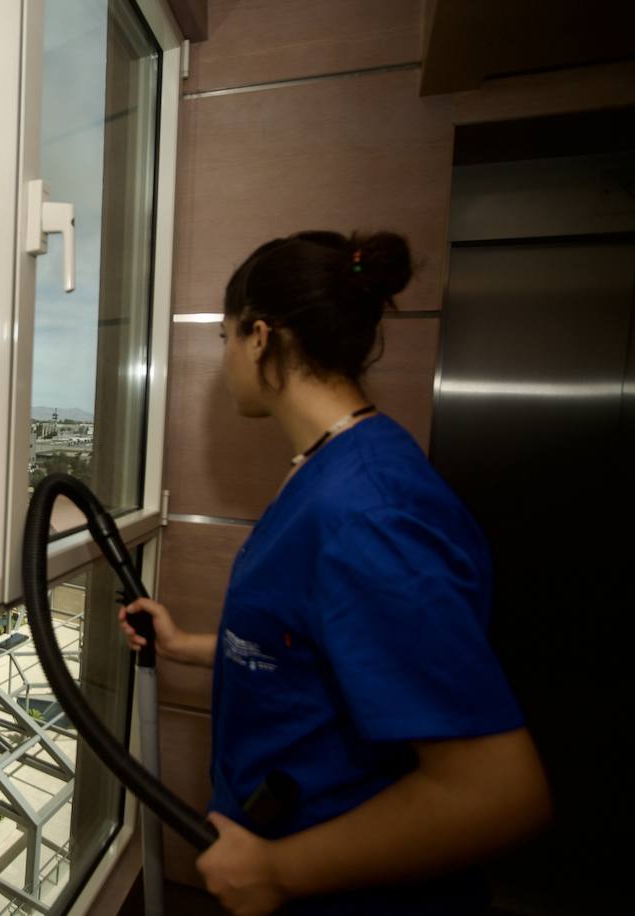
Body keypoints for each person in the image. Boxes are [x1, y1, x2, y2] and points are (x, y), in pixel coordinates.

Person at [119, 231, 550, 915]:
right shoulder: (333, 468)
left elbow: (495, 792)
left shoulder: (368, 512)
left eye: (226, 336)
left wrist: (279, 870)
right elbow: (315, 647)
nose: (224, 357)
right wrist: (187, 646)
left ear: (260, 338)